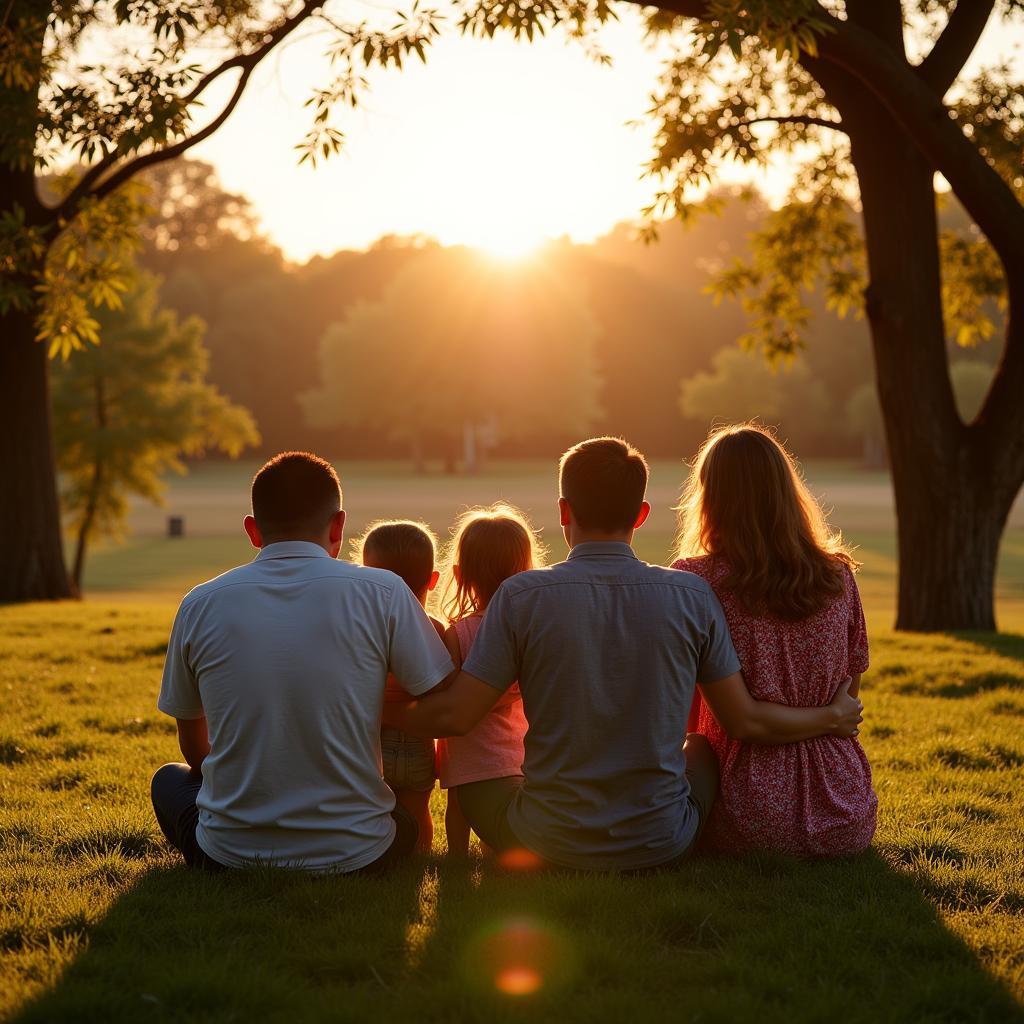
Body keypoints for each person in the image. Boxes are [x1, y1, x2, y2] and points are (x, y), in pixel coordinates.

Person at [385, 437, 864, 873]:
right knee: (698, 746)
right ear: (641, 514)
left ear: (563, 511)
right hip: (664, 840)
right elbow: (738, 718)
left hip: (544, 839)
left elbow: (458, 716)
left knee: (472, 774)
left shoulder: (521, 596)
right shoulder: (692, 595)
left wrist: (381, 705)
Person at [151, 452, 453, 873]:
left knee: (168, 778)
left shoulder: (200, 602)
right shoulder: (384, 591)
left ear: (253, 531)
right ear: (339, 526)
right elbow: (439, 696)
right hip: (363, 852)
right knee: (399, 817)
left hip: (228, 854)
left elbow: (194, 745)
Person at [673, 424, 878, 855]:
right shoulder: (839, 576)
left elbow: (724, 718)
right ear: (787, 492)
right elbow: (847, 706)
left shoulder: (696, 580)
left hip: (747, 811)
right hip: (845, 812)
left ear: (711, 497)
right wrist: (825, 718)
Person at [436, 505, 542, 856]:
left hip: (468, 747)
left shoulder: (459, 633)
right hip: (514, 747)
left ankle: (456, 857)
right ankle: (495, 853)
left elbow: (450, 691)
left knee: (459, 805)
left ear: (460, 573)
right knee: (506, 808)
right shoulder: (528, 629)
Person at [357, 520, 445, 853]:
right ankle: (420, 855)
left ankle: (378, 852)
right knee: (418, 809)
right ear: (433, 580)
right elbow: (445, 685)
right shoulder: (435, 628)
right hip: (420, 742)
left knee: (374, 809)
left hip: (372, 742)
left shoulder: (364, 629)